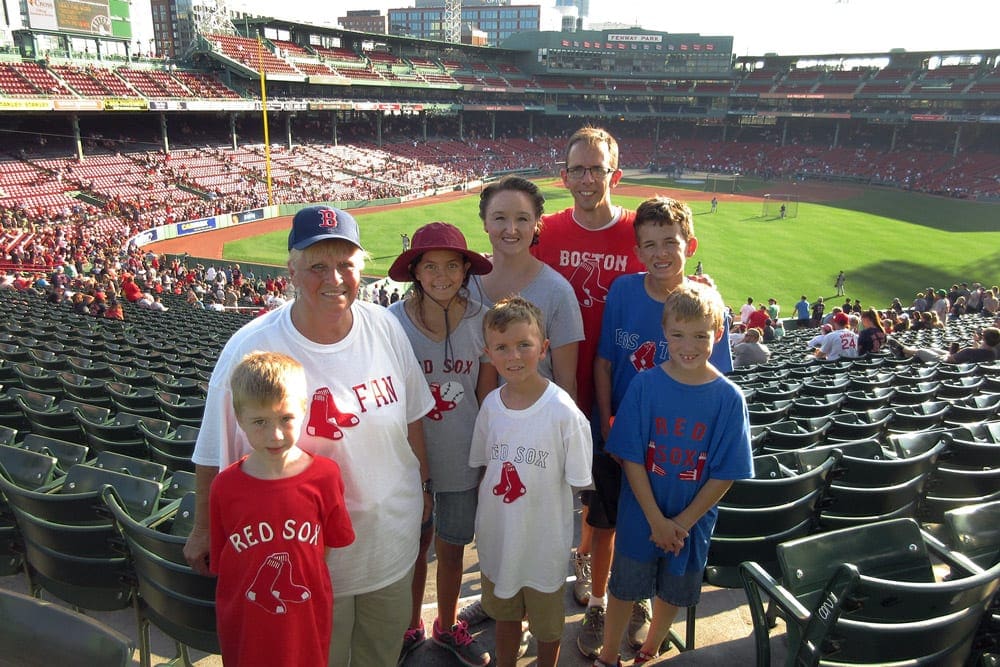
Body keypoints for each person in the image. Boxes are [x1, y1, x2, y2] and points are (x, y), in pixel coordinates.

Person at [185, 205, 436, 667]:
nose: (334, 278)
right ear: (292, 270)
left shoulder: (384, 327)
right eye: (318, 265)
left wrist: (424, 492)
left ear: (361, 267)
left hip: (391, 544)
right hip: (310, 561)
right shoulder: (251, 347)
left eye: (345, 265)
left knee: (381, 656)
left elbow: (413, 420)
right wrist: (203, 527)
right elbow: (213, 448)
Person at [591, 196, 733, 659]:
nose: (660, 253)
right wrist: (610, 425)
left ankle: (644, 626)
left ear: (688, 244)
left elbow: (718, 383)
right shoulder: (624, 291)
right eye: (648, 244)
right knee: (614, 527)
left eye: (669, 242)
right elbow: (605, 363)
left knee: (661, 545)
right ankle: (605, 605)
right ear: (637, 251)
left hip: (681, 459)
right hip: (628, 444)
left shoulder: (709, 305)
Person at [529, 127, 644, 632]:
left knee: (603, 501)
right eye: (577, 168)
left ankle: (595, 577)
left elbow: (670, 269)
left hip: (613, 391)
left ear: (614, 174)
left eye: (597, 168)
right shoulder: (545, 231)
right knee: (552, 490)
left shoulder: (640, 229)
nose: (587, 178)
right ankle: (526, 583)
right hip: (552, 388)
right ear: (563, 175)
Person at [387, 222, 496, 667]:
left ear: (466, 269)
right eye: (430, 266)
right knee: (412, 550)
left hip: (462, 457)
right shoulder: (390, 322)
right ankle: (410, 626)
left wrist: (489, 458)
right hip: (406, 461)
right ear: (415, 271)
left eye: (452, 265)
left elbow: (486, 397)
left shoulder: (482, 319)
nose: (441, 275)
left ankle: (447, 626)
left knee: (452, 549)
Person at [209, 351, 355, 667]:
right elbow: (227, 561)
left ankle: (279, 585)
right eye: (259, 422)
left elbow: (325, 547)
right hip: (247, 624)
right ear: (239, 419)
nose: (275, 435)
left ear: (303, 411)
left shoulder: (325, 475)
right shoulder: (224, 486)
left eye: (286, 418)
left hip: (305, 618)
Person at [469, 296, 593, 667]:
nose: (514, 355)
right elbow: (484, 465)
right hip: (499, 541)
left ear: (544, 348)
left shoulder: (563, 412)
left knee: (547, 627)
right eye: (502, 347)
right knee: (505, 617)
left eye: (524, 344)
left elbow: (578, 482)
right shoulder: (491, 405)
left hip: (542, 547)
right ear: (488, 353)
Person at [473, 176, 583, 399]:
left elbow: (566, 383)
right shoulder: (466, 285)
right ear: (485, 222)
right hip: (476, 428)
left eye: (522, 219)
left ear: (537, 223)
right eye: (499, 218)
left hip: (536, 427)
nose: (511, 229)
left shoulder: (558, 292)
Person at [890, 327, 1000, 364]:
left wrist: (953, 353)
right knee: (934, 348)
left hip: (945, 363)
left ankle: (903, 350)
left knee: (921, 351)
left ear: (984, 338)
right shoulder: (993, 353)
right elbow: (979, 352)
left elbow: (950, 359)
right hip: (961, 363)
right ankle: (904, 354)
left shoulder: (970, 351)